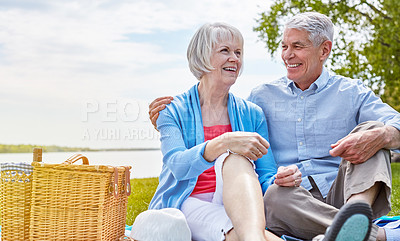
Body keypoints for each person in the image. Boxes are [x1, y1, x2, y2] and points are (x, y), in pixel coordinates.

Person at [148, 13, 400, 241]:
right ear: (203, 55)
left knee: (376, 132)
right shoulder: (259, 98)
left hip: (341, 191)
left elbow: (262, 170)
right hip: (291, 200)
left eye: (298, 46)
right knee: (271, 192)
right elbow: (188, 157)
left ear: (324, 50)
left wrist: (383, 134)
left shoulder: (351, 92)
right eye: (284, 47)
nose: (287, 54)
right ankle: (372, 236)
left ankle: (355, 216)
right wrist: (174, 126)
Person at [148, 22, 288, 241]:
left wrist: (280, 179)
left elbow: (265, 173)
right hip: (188, 200)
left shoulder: (253, 114)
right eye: (225, 51)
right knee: (246, 232)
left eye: (238, 52)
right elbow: (177, 166)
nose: (235, 58)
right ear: (202, 56)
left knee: (236, 162)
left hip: (239, 201)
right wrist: (224, 142)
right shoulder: (172, 111)